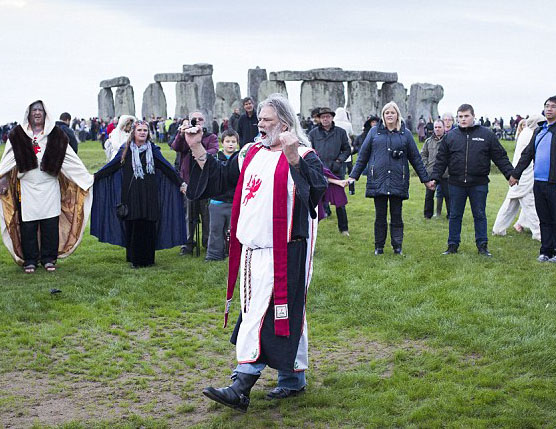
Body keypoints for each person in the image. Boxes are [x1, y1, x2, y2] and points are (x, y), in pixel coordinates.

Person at [186, 93, 327, 412]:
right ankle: (292, 380)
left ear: (286, 124)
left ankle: (241, 385)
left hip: (286, 251)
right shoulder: (250, 153)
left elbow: (315, 195)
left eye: (267, 120)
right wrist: (196, 147)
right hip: (252, 252)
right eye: (260, 120)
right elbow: (221, 180)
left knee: (265, 315)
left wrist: (293, 159)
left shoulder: (305, 154)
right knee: (282, 313)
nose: (260, 125)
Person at [0, 100, 93, 273]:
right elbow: (7, 161)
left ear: (46, 114)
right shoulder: (18, 135)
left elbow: (71, 161)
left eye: (40, 110)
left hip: (49, 186)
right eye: (34, 110)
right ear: (28, 113)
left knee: (50, 223)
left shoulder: (56, 135)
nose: (37, 113)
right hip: (28, 187)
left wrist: (86, 179)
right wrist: (2, 178)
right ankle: (30, 260)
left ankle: (49, 259)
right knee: (28, 224)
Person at [91, 120, 187, 268]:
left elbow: (166, 167)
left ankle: (148, 259)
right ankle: (135, 259)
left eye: (145, 130)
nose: (143, 132)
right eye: (139, 130)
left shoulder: (153, 150)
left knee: (148, 224)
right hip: (131, 194)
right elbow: (112, 166)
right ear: (134, 133)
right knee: (133, 224)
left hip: (149, 193)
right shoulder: (126, 149)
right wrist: (95, 177)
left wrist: (180, 183)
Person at [349, 101, 433, 255]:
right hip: (378, 179)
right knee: (380, 216)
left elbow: (415, 158)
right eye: (386, 112)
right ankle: (379, 246)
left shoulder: (405, 134)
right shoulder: (374, 132)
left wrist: (426, 180)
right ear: (383, 115)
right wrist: (353, 176)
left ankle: (397, 246)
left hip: (397, 179)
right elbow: (363, 156)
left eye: (392, 112)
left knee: (397, 215)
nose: (389, 115)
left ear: (397, 115)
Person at [432, 103, 514, 256]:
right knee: (455, 215)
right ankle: (452, 245)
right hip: (456, 183)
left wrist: (510, 174)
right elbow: (441, 160)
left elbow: (500, 156)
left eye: (466, 116)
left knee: (480, 215)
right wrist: (434, 178)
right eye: (460, 117)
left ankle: (482, 246)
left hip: (479, 184)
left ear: (473, 116)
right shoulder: (450, 137)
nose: (463, 119)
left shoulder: (486, 135)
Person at [510, 96, 556, 262]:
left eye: (553, 106)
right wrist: (516, 174)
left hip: (553, 182)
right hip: (539, 181)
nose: (549, 109)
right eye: (547, 106)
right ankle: (546, 251)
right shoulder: (539, 130)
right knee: (543, 218)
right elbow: (527, 154)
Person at [171, 111, 219, 255]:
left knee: (206, 214)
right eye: (194, 119)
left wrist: (198, 149)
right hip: (189, 179)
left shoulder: (211, 136)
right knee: (188, 214)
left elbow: (214, 150)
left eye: (200, 119)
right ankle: (187, 243)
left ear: (205, 121)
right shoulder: (185, 135)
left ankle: (207, 241)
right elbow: (176, 147)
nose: (197, 121)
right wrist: (181, 134)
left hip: (205, 180)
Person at [493, 115, 544, 241]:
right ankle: (538, 233)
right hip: (523, 175)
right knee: (530, 204)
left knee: (511, 204)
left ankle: (498, 229)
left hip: (520, 174)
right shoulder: (530, 135)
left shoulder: (526, 133)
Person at [308, 107, 351, 235]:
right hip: (319, 170)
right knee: (317, 201)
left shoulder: (341, 132)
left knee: (339, 202)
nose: (325, 119)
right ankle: (313, 229)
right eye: (322, 117)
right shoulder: (313, 133)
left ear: (332, 117)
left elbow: (347, 150)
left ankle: (344, 229)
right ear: (319, 119)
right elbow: (310, 150)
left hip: (336, 170)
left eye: (327, 116)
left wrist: (339, 161)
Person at [205, 129, 239, 261]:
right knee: (215, 230)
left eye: (233, 142)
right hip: (217, 201)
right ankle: (214, 254)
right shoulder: (216, 159)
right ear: (222, 143)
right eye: (227, 141)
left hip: (234, 201)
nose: (230, 144)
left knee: (234, 231)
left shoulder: (239, 159)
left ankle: (233, 253)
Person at [421, 120, 447, 219]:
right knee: (429, 196)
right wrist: (426, 165)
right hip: (431, 172)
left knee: (448, 196)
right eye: (436, 127)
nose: (437, 129)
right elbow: (423, 154)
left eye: (439, 127)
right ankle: (428, 215)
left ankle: (450, 215)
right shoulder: (428, 141)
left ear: (444, 128)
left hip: (445, 173)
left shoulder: (448, 140)